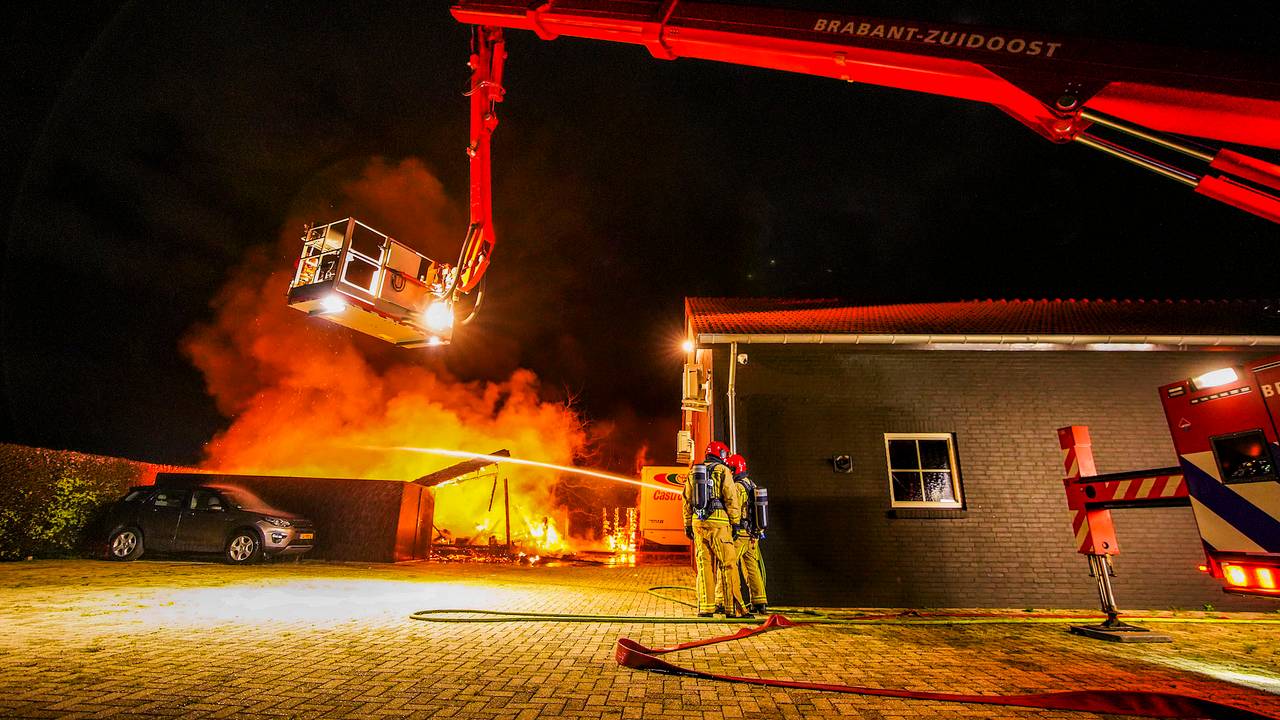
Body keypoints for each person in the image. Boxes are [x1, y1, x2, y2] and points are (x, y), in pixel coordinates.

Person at [684, 441, 751, 618]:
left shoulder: (694, 471)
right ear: (720, 454)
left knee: (704, 565)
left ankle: (706, 608)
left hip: (698, 523)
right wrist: (735, 523)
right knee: (728, 564)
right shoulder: (723, 471)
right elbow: (730, 497)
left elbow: (686, 499)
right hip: (719, 524)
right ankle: (734, 609)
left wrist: (687, 524)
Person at [727, 454, 768, 614]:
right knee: (752, 568)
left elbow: (734, 509)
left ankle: (724, 602)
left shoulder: (737, 487)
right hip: (753, 535)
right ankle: (760, 602)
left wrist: (732, 528)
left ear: (735, 469)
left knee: (728, 565)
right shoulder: (752, 484)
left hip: (741, 534)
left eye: (730, 469)